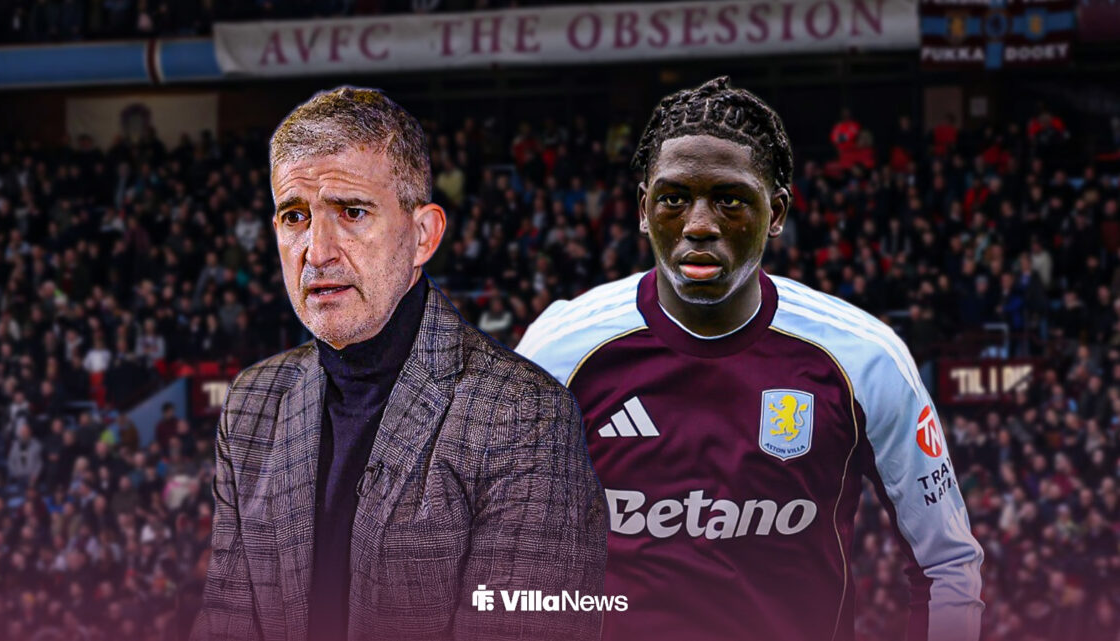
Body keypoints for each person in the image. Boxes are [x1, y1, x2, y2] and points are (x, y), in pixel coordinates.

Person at [518, 77, 984, 641]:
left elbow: (945, 565)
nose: (698, 224)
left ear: (777, 211)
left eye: (730, 199)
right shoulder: (559, 354)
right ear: (643, 209)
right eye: (673, 198)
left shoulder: (864, 360)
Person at [190, 87, 607, 641]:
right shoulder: (251, 402)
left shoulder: (524, 415)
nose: (317, 251)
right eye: (295, 216)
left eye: (352, 212)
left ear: (423, 235)